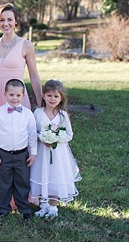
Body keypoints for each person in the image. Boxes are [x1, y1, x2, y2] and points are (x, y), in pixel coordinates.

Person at [0, 3, 42, 199]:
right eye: (2, 20)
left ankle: (20, 192)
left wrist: (41, 105)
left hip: (18, 98)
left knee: (20, 141)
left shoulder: (25, 45)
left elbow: (34, 75)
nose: (6, 23)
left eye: (9, 19)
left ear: (16, 21)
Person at [30, 79, 80, 220]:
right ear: (43, 96)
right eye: (49, 95)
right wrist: (43, 138)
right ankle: (43, 204)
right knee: (42, 174)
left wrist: (56, 139)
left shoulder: (63, 115)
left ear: (61, 98)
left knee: (55, 175)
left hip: (58, 153)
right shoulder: (38, 113)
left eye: (56, 96)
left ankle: (53, 205)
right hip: (41, 152)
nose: (52, 99)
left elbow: (69, 134)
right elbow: (33, 132)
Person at [0, 79, 37, 219]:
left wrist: (33, 153)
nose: (14, 98)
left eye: (18, 95)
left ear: (23, 96)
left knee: (22, 181)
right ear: (5, 94)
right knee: (4, 183)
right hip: (3, 154)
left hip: (22, 154)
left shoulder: (28, 114)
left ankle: (24, 208)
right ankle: (3, 209)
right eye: (11, 95)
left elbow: (32, 135)